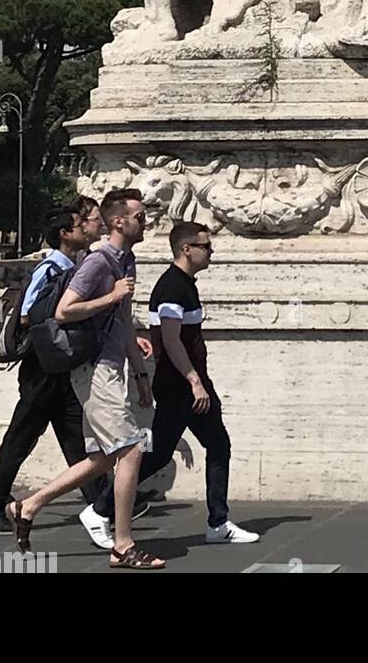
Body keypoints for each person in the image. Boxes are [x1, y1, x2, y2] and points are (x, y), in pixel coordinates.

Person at [8, 190, 165, 570]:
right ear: (118, 222)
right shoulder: (98, 262)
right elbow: (65, 311)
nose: (147, 222)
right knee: (132, 449)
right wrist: (110, 297)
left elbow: (124, 321)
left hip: (113, 368)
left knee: (104, 456)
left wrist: (140, 372)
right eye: (140, 217)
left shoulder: (127, 260)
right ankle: (123, 545)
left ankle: (28, 505)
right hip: (93, 368)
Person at [87, 222, 259, 546]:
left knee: (217, 445)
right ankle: (100, 509)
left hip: (190, 384)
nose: (211, 251)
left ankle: (218, 522)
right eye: (206, 246)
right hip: (180, 386)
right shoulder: (172, 287)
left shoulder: (185, 284)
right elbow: (171, 338)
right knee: (157, 455)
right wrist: (194, 381)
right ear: (186, 249)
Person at [0, 200, 109, 537]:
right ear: (65, 234)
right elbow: (27, 314)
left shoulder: (71, 265)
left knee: (74, 434)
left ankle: (103, 498)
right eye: (80, 225)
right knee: (21, 437)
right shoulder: (50, 268)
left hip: (56, 366)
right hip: (41, 367)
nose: (85, 228)